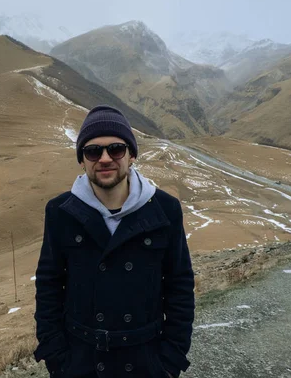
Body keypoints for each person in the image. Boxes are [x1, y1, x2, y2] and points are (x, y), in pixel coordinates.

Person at [33, 105, 195, 377]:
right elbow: (49, 284)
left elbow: (179, 284)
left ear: (131, 155)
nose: (105, 158)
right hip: (80, 362)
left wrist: (170, 358)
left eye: (116, 149)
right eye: (93, 151)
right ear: (82, 160)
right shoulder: (60, 211)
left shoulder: (165, 209)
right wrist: (57, 358)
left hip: (146, 361)